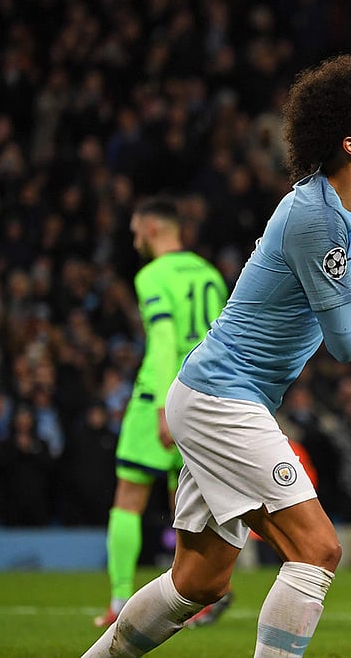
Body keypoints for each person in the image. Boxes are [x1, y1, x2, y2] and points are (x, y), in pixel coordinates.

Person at [81, 54, 351, 657]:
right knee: (317, 550)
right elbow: (345, 341)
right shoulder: (314, 217)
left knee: (198, 581)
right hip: (222, 400)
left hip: (218, 396)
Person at [93, 197, 231, 629]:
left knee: (129, 497)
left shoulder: (152, 274)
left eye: (135, 230)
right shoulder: (209, 274)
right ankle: (196, 597)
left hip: (161, 394)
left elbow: (164, 339)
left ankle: (120, 600)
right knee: (187, 503)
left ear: (152, 229)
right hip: (204, 397)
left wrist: (161, 408)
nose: (133, 238)